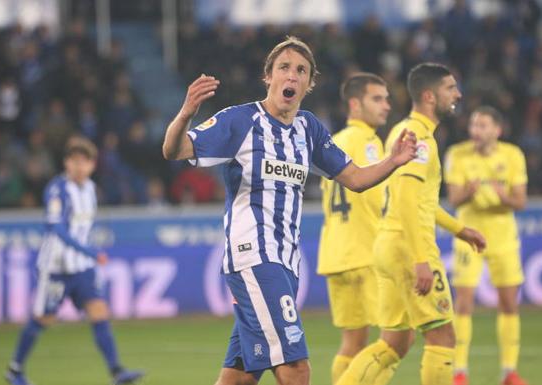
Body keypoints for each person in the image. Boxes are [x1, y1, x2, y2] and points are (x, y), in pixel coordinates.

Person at [161, 36, 417, 385]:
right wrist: (186, 113)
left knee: (239, 376)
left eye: (301, 71)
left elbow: (355, 178)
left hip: (287, 262)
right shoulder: (240, 121)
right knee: (296, 369)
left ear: (309, 84)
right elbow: (174, 150)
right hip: (254, 255)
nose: (292, 76)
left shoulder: (308, 128)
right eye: (284, 68)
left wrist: (394, 161)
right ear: (268, 76)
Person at [336, 62, 486, 385]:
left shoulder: (401, 131)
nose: (457, 94)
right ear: (430, 96)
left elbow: (420, 202)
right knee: (443, 337)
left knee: (394, 344)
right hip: (408, 247)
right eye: (450, 89)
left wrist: (461, 230)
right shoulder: (418, 138)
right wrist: (420, 259)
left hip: (387, 246)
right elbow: (405, 199)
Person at [5, 137, 144, 385]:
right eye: (74, 161)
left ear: (92, 165)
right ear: (66, 163)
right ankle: (15, 369)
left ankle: (117, 372)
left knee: (99, 312)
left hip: (82, 268)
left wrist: (88, 252)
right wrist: (90, 251)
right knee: (44, 318)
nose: (79, 167)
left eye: (85, 162)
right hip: (56, 267)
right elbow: (57, 230)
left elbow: (83, 227)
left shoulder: (90, 188)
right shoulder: (57, 190)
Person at [444, 106, 529, 385]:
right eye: (473, 125)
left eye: (482, 126)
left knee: (508, 304)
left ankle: (509, 372)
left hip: (503, 237)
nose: (475, 131)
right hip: (469, 235)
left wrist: (504, 197)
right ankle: (459, 372)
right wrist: (468, 193)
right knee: (464, 304)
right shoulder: (457, 154)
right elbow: (454, 199)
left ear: (497, 130)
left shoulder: (513, 155)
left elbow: (520, 201)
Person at [317, 73, 391, 384]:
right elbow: (379, 200)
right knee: (396, 340)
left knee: (352, 343)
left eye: (386, 99)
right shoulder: (369, 142)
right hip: (366, 251)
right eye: (377, 99)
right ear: (354, 104)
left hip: (336, 255)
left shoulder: (333, 142)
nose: (386, 106)